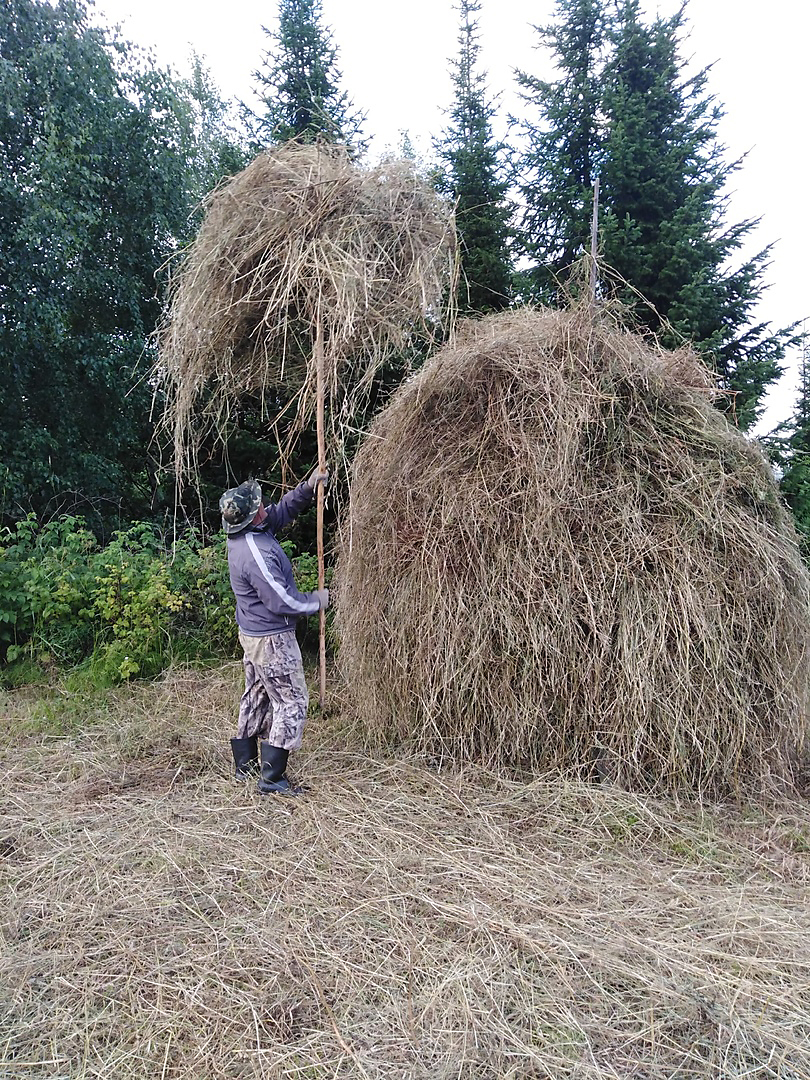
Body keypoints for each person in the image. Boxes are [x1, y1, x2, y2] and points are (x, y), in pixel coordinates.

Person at [219, 469, 329, 795]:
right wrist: (317, 601)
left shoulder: (247, 534)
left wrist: (307, 489)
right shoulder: (255, 555)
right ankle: (272, 779)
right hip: (271, 639)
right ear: (251, 519)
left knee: (257, 694)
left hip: (253, 633)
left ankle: (245, 765)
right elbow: (281, 601)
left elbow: (278, 514)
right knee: (291, 701)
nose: (265, 507)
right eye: (259, 507)